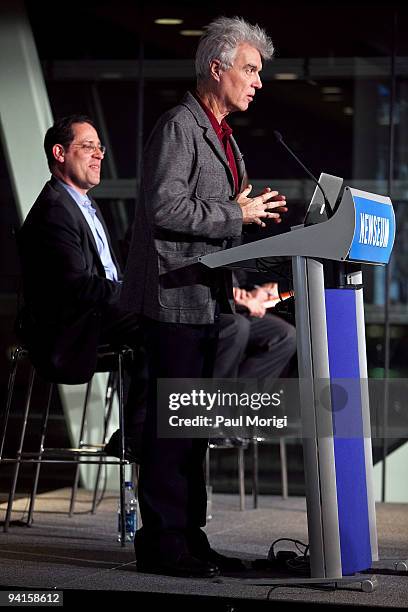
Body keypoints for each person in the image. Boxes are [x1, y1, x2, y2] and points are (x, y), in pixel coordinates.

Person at [121, 16, 287, 578]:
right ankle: (163, 546)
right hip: (171, 304)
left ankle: (190, 538)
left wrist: (255, 219)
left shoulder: (225, 137)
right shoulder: (179, 126)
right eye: (249, 69)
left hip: (205, 301)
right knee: (172, 436)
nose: (257, 81)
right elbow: (165, 209)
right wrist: (235, 212)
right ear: (216, 70)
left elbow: (220, 223)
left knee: (191, 435)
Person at [17, 114, 145, 459]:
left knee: (175, 325)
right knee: (160, 326)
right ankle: (139, 433)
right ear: (59, 153)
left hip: (100, 316)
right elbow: (78, 286)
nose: (99, 155)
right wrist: (135, 295)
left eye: (100, 148)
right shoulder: (54, 212)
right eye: (88, 146)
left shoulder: (83, 205)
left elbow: (106, 276)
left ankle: (152, 431)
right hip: (68, 329)